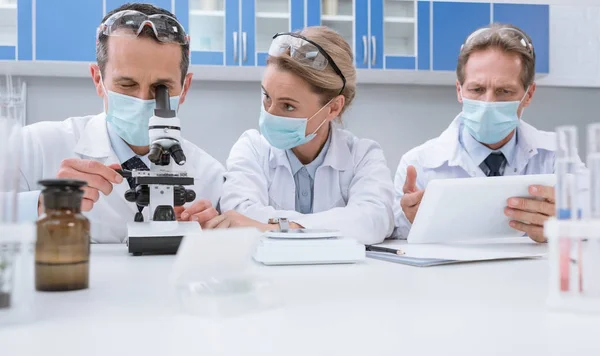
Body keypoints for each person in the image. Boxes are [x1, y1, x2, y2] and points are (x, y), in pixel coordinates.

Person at [13, 3, 224, 243]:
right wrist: (41, 204)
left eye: (160, 89)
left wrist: (209, 240)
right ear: (97, 79)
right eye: (126, 85)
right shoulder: (35, 147)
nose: (143, 99)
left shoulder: (211, 176)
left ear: (185, 88)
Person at [393, 24, 585, 243]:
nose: (488, 103)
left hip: (531, 277)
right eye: (477, 90)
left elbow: (591, 215)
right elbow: (396, 242)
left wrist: (567, 224)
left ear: (529, 94)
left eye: (504, 91)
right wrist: (411, 222)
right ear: (459, 90)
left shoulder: (555, 155)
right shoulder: (419, 164)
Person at [211, 27, 394, 245]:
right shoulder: (252, 148)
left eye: (288, 106)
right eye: (267, 97)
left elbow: (373, 220)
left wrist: (276, 228)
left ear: (333, 108)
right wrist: (334, 226)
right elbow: (238, 214)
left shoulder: (363, 156)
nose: (270, 114)